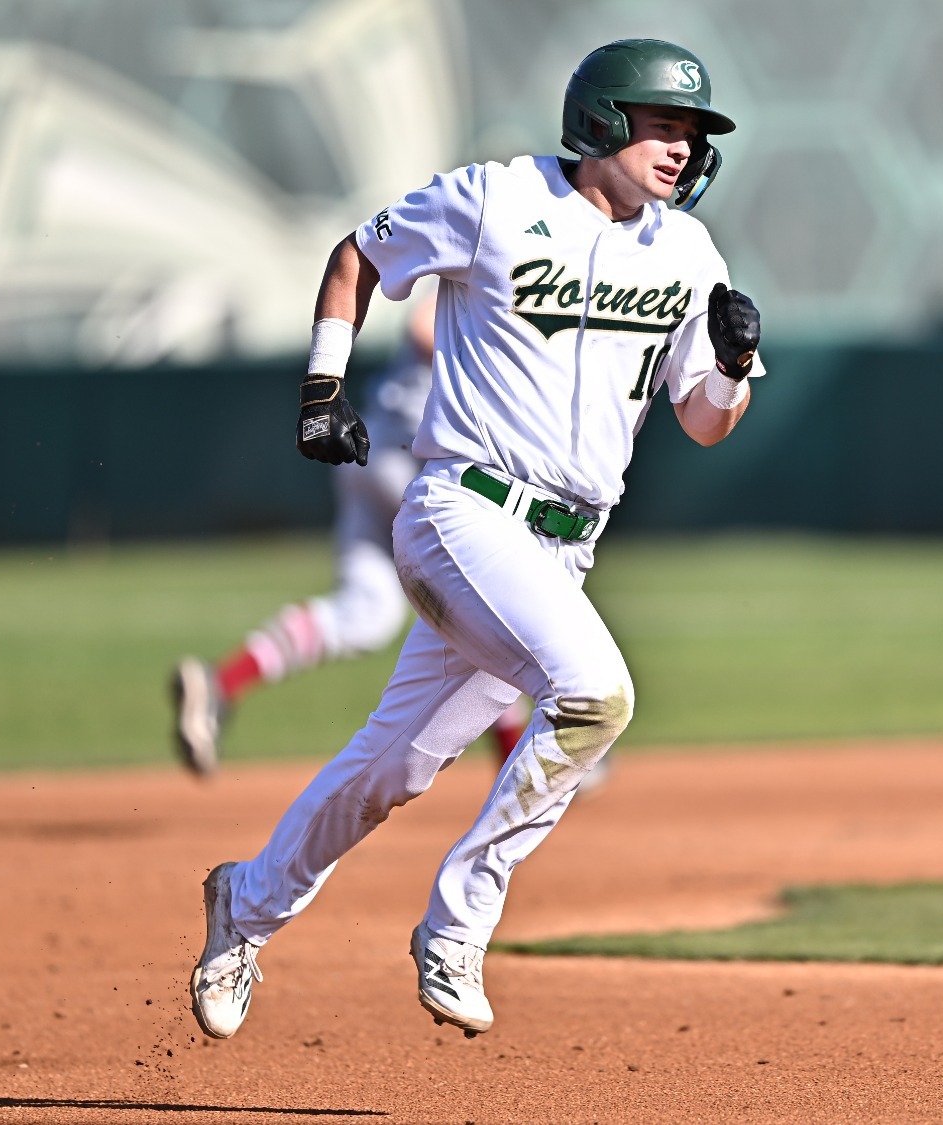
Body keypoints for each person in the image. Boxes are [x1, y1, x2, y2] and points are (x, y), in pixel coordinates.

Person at [187, 38, 763, 1041]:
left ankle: (245, 901)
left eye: (692, 132)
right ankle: (462, 917)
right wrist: (322, 385)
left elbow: (703, 420)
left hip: (561, 548)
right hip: (462, 510)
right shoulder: (496, 199)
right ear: (602, 121)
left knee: (394, 769)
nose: (680, 148)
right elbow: (358, 256)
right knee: (595, 695)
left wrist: (734, 366)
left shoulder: (685, 254)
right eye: (662, 124)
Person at [170, 288, 538, 778]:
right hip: (406, 466)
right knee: (481, 600)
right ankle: (520, 753)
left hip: (382, 461)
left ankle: (221, 684)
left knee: (366, 613)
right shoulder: (479, 280)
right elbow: (423, 328)